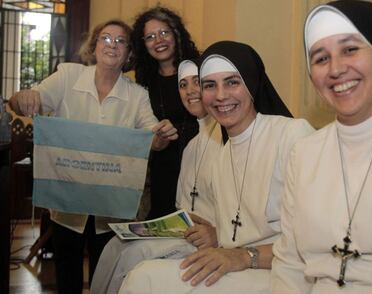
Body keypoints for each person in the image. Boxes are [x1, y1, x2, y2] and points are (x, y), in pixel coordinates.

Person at [119, 41, 314, 294]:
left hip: (285, 273)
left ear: (252, 83)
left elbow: (315, 239)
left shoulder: (292, 134)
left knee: (145, 279)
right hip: (238, 266)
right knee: (142, 272)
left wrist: (245, 256)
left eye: (232, 82)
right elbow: (231, 233)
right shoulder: (221, 155)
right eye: (210, 85)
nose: (220, 95)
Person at [9, 19, 177, 294]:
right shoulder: (67, 76)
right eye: (105, 38)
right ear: (95, 45)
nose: (112, 45)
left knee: (106, 276)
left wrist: (160, 136)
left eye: (121, 41)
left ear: (129, 53)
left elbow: (153, 137)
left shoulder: (137, 95)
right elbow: (27, 101)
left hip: (111, 208)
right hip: (67, 205)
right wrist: (23, 97)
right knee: (67, 273)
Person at [271, 1, 372, 293]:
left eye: (350, 49)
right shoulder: (304, 153)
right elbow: (289, 263)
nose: (336, 69)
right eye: (321, 58)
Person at [90, 60, 222, 294]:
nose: (190, 90)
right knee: (115, 245)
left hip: (210, 239)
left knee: (134, 258)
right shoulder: (191, 146)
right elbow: (183, 203)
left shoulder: (226, 137)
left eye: (197, 82)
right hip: (188, 231)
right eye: (183, 84)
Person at [132, 6, 200, 219]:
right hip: (163, 167)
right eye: (150, 37)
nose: (158, 40)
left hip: (200, 160)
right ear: (144, 45)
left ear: (176, 33)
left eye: (164, 33)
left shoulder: (199, 69)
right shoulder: (143, 82)